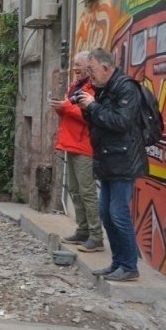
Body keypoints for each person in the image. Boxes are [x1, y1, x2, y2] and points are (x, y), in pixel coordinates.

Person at [76, 48, 148, 282]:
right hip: (109, 159)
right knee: (106, 213)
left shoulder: (126, 87)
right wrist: (87, 108)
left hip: (124, 161)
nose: (90, 76)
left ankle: (129, 265)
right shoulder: (105, 88)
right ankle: (118, 263)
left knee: (118, 213)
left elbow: (120, 122)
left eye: (92, 70)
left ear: (106, 67)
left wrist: (94, 106)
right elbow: (99, 121)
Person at [50, 51, 104, 253]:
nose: (75, 68)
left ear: (89, 68)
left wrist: (66, 106)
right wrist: (60, 107)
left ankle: (96, 236)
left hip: (84, 146)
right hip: (71, 143)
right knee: (74, 189)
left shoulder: (93, 90)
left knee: (87, 191)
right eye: (74, 65)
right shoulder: (76, 87)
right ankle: (83, 230)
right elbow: (72, 112)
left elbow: (89, 116)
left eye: (79, 65)